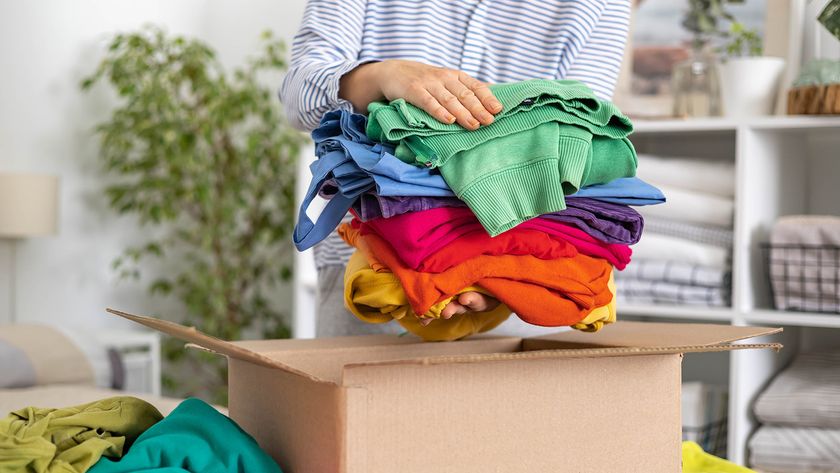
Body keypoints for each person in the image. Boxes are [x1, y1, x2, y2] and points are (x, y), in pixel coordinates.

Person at [281, 0, 631, 337]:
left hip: (526, 290)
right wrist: (379, 75)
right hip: (377, 278)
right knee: (357, 398)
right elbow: (298, 95)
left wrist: (499, 273)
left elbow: (581, 138)